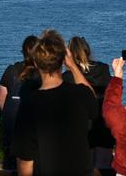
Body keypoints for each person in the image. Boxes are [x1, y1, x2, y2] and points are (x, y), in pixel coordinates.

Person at [12, 30, 98, 176]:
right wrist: (72, 65)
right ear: (62, 60)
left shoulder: (29, 105)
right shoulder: (80, 95)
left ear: (36, 63)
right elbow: (92, 101)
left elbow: (25, 161)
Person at [62, 36, 114, 175]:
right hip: (103, 125)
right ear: (88, 50)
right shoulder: (103, 69)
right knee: (104, 168)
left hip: (81, 129)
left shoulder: (68, 76)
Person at [0, 35, 39, 172]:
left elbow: (1, 98)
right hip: (35, 134)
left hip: (12, 130)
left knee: (11, 167)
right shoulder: (44, 73)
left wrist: (10, 116)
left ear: (23, 52)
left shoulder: (11, 70)